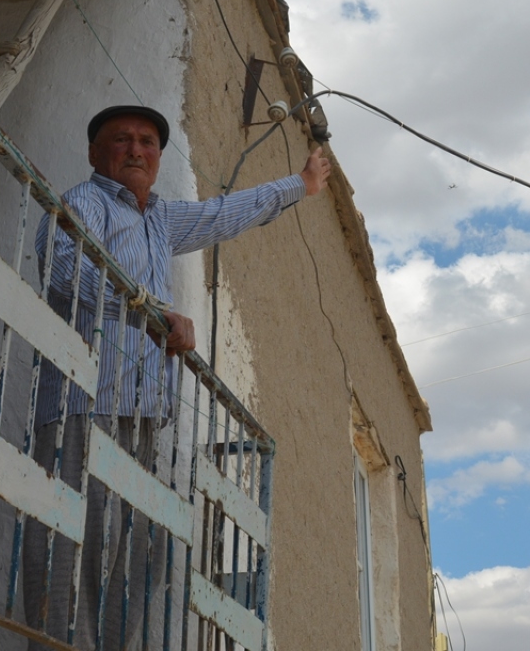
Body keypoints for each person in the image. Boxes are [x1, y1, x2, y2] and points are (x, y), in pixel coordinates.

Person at [22, 105, 330, 650]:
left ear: (159, 158)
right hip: (82, 405)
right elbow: (64, 269)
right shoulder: (85, 201)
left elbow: (224, 214)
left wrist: (299, 185)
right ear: (95, 153)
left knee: (137, 558)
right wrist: (148, 312)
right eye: (122, 140)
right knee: (67, 552)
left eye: (147, 142)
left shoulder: (160, 220)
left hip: (143, 420)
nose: (136, 150)